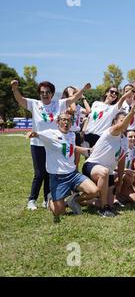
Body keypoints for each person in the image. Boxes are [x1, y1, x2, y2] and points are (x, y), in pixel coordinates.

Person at [11, 79, 90, 210]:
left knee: (50, 172)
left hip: (55, 144)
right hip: (37, 143)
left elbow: (73, 98)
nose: (45, 94)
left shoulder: (59, 104)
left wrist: (83, 89)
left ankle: (47, 198)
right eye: (42, 92)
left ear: (52, 93)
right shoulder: (34, 104)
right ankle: (32, 199)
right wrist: (14, 89)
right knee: (39, 173)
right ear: (39, 94)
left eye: (47, 92)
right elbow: (20, 99)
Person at [27, 110, 99, 222]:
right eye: (63, 120)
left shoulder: (72, 135)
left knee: (94, 191)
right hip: (58, 178)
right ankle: (51, 198)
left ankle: (72, 200)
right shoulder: (50, 133)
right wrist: (33, 134)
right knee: (59, 212)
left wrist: (87, 150)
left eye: (69, 120)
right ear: (57, 122)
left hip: (73, 174)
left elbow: (72, 147)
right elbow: (37, 134)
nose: (66, 123)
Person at [82, 105, 135, 217]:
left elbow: (121, 162)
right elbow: (121, 126)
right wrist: (131, 113)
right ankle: (103, 209)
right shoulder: (110, 132)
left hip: (109, 173)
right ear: (114, 122)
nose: (125, 123)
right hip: (92, 166)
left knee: (110, 203)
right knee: (104, 172)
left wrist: (120, 182)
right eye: (122, 120)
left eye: (127, 120)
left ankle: (79, 199)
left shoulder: (125, 141)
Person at [62, 86, 91, 168]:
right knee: (68, 156)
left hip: (76, 134)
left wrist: (83, 98)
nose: (77, 95)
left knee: (77, 159)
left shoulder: (78, 107)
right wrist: (71, 94)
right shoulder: (65, 105)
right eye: (75, 94)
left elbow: (89, 111)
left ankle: (75, 173)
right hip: (68, 134)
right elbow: (73, 109)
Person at [115, 130, 135, 205]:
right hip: (116, 173)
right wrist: (125, 170)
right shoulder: (120, 147)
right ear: (125, 138)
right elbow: (112, 166)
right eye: (130, 137)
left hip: (128, 174)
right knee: (129, 177)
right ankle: (116, 196)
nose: (133, 138)